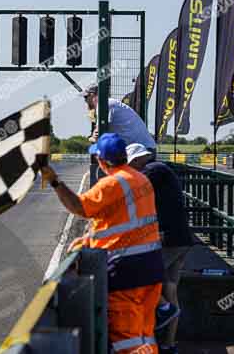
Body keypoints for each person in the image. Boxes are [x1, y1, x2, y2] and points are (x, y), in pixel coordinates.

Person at [41, 133, 163, 354]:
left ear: (101, 160)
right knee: (145, 334)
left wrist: (54, 181)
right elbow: (126, 221)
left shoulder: (111, 183)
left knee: (127, 339)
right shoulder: (141, 179)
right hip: (152, 268)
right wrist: (91, 238)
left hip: (127, 271)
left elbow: (79, 207)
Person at [127, 143, 194, 354]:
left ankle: (162, 311)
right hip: (181, 239)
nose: (131, 170)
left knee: (140, 276)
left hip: (170, 240)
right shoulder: (160, 171)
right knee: (170, 290)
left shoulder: (153, 170)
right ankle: (169, 344)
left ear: (139, 160)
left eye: (131, 165)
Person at [83, 85, 157, 159]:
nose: (85, 101)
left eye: (85, 97)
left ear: (92, 95)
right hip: (141, 150)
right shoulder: (110, 103)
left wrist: (91, 138)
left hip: (141, 152)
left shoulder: (104, 104)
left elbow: (98, 134)